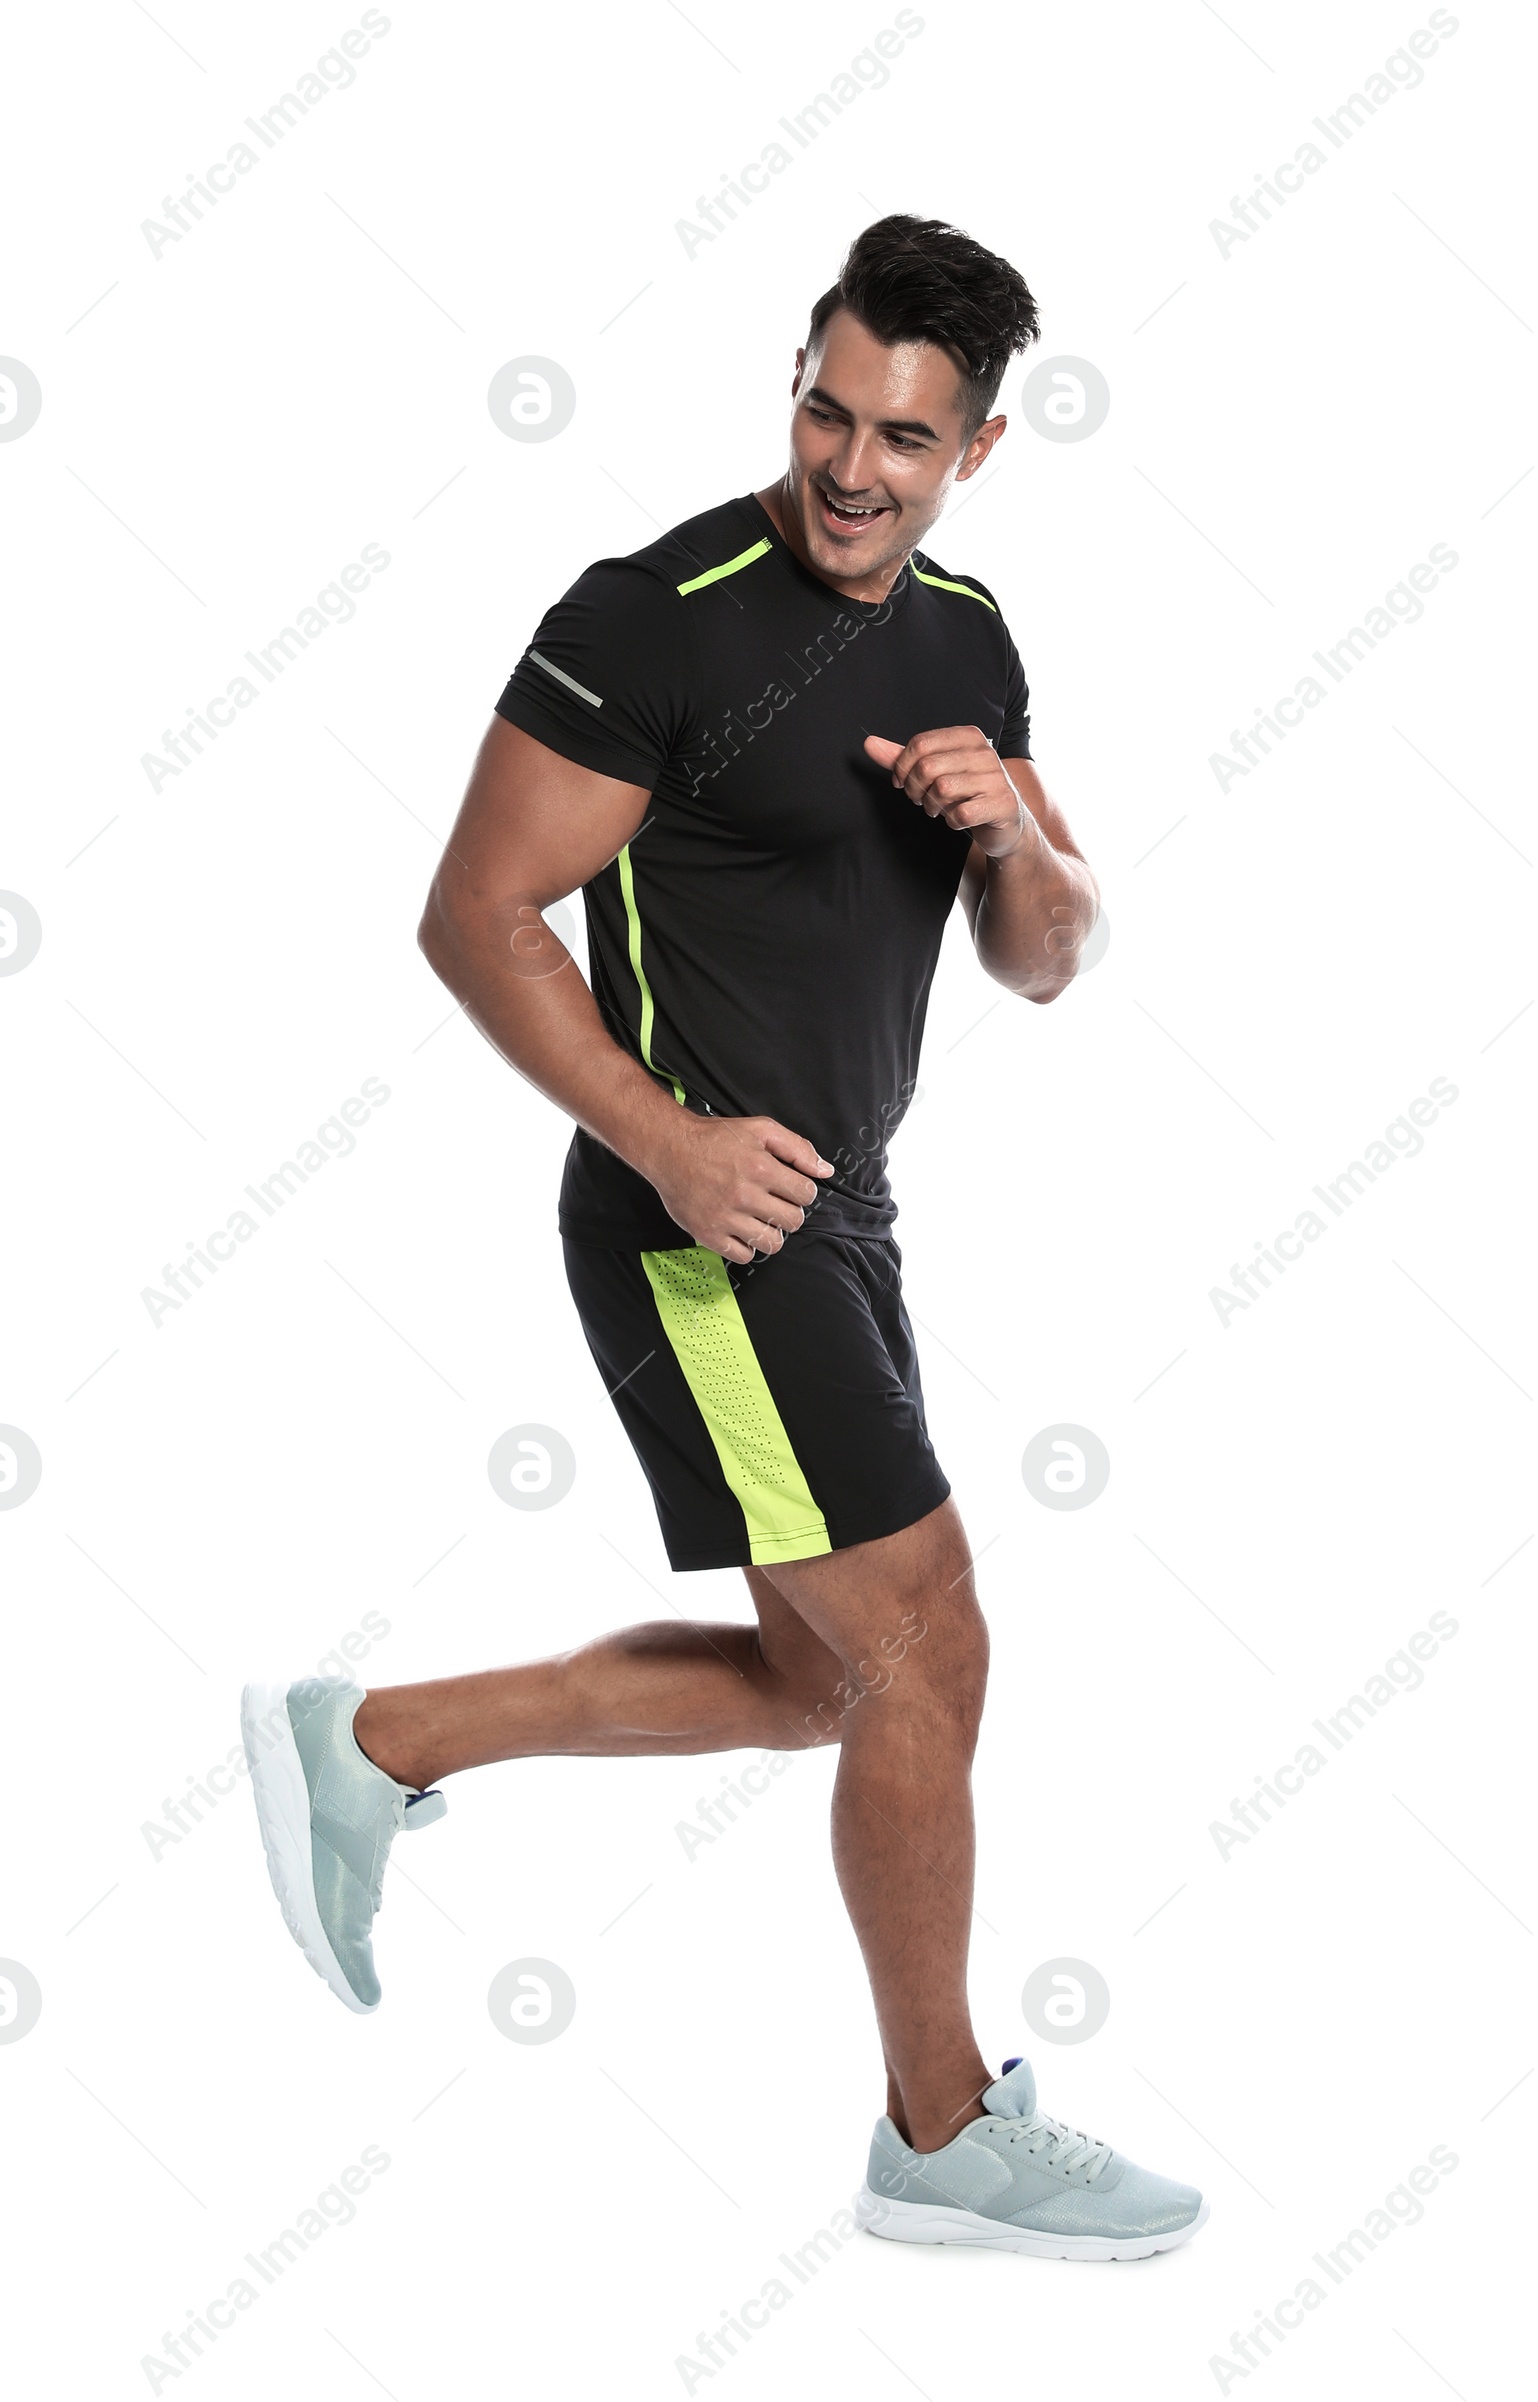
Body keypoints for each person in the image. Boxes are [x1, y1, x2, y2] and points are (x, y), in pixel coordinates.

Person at [242, 215, 1207, 2261]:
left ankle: (378, 1736)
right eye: (823, 412)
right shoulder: (652, 615)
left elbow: (1042, 960)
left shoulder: (966, 639)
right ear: (797, 380)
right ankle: (936, 2131)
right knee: (926, 1643)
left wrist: (1015, 834)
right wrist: (664, 1140)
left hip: (842, 1215)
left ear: (980, 447)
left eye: (905, 441)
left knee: (816, 1678)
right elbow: (472, 911)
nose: (853, 470)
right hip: (700, 1216)